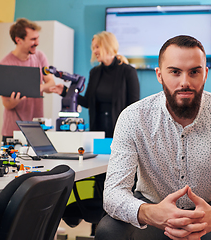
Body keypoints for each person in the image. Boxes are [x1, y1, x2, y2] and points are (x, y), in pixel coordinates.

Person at [95, 35, 211, 240]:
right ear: (160, 75)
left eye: (194, 72)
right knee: (108, 231)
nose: (185, 82)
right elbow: (113, 193)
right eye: (175, 72)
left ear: (205, 74)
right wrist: (148, 213)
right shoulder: (133, 118)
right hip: (152, 208)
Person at [50, 31, 140, 236]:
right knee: (99, 181)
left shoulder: (127, 72)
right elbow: (89, 101)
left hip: (121, 137)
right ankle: (98, 229)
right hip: (99, 139)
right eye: (93, 49)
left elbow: (134, 107)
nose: (95, 52)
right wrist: (64, 92)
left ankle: (123, 229)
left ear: (107, 45)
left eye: (97, 47)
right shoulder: (95, 73)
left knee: (119, 182)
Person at [0, 18, 55, 145]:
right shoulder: (5, 64)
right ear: (18, 40)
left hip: (36, 129)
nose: (37, 42)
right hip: (12, 131)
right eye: (33, 39)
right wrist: (15, 101)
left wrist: (35, 88)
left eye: (37, 38)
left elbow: (51, 83)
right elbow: (6, 104)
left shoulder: (40, 57)